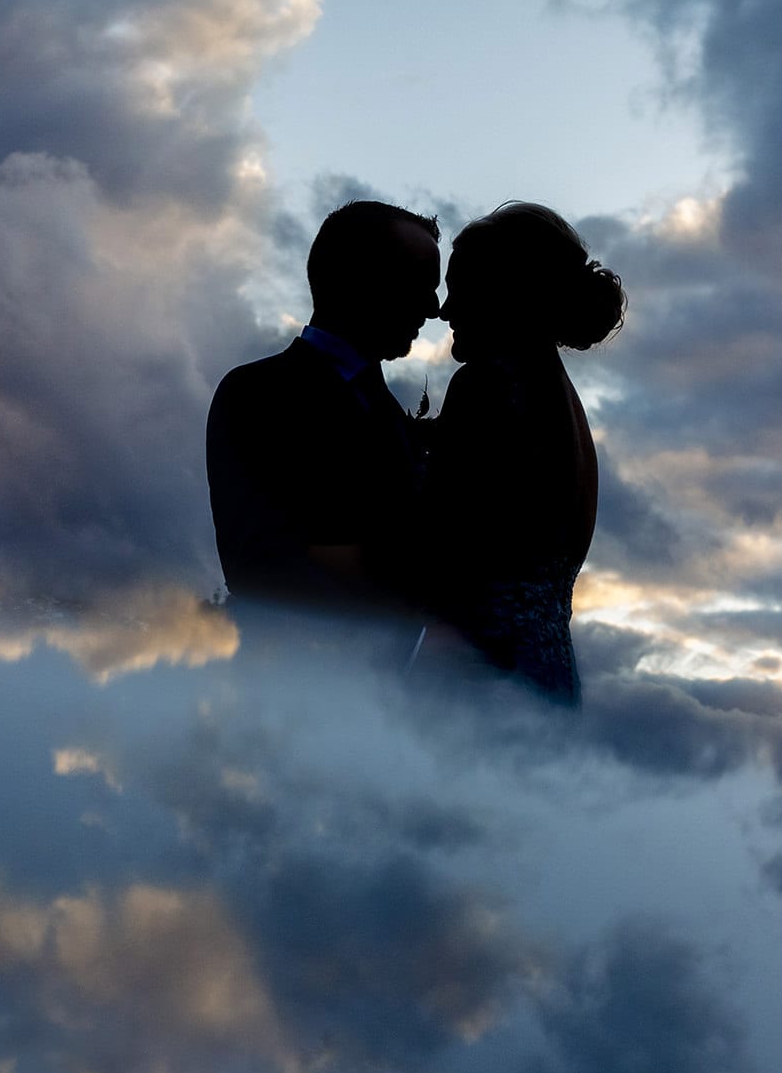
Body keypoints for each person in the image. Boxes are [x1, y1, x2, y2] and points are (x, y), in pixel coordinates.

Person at [407, 201, 626, 703]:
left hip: (477, 673)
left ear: (504, 294)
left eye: (459, 289)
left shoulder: (485, 385)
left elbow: (435, 542)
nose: (445, 310)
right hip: (546, 672)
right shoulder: (564, 404)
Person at [206, 201, 442, 617]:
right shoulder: (254, 394)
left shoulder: (387, 410)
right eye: (418, 282)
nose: (433, 308)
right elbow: (258, 563)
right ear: (355, 278)